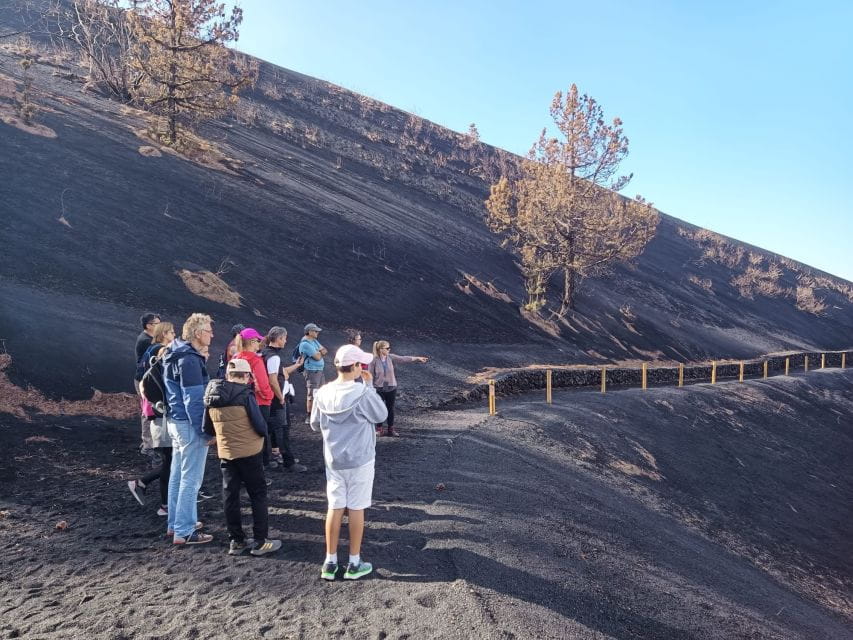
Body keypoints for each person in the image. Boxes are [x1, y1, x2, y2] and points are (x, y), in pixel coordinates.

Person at [310, 344, 388, 581]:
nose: (363, 368)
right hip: (360, 459)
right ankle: (354, 562)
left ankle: (330, 561)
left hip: (334, 460)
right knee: (356, 507)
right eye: (360, 364)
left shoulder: (323, 393)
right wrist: (369, 386)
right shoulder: (362, 393)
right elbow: (381, 415)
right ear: (354, 366)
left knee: (334, 507)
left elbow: (314, 424)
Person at [204, 358, 282, 556]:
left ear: (228, 375)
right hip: (249, 451)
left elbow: (208, 428)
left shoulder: (211, 394)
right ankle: (260, 541)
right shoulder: (245, 394)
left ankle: (236, 541)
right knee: (258, 493)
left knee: (230, 495)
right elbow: (260, 425)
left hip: (227, 452)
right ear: (246, 375)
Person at [163, 313, 214, 545]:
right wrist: (205, 431)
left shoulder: (174, 352)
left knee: (177, 475)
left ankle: (175, 524)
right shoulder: (189, 360)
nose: (212, 335)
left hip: (175, 421)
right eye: (208, 331)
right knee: (191, 479)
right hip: (188, 424)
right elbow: (193, 401)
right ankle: (185, 531)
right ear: (198, 333)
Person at [128, 321, 176, 516]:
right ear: (164, 334)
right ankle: (162, 502)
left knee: (170, 459)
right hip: (161, 414)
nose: (174, 335)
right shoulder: (160, 352)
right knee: (170, 460)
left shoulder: (150, 350)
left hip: (154, 410)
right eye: (171, 332)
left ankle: (147, 487)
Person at [261, 327, 307, 472]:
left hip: (270, 398)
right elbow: (273, 380)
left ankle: (267, 460)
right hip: (276, 399)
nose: (286, 341)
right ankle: (288, 462)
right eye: (285, 338)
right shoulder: (273, 357)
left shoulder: (265, 353)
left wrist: (297, 365)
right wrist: (281, 398)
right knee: (282, 430)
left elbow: (281, 372)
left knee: (271, 429)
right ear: (279, 338)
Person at [232, 327, 275, 468]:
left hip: (239, 402)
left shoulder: (235, 358)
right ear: (251, 342)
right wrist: (269, 396)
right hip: (259, 402)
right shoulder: (255, 360)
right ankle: (261, 464)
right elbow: (261, 384)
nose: (259, 343)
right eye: (257, 340)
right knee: (260, 434)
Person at [368, 341, 429, 437]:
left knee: (390, 408)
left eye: (389, 348)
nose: (389, 349)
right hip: (379, 388)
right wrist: (370, 388)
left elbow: (403, 359)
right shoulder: (374, 360)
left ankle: (390, 429)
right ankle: (379, 429)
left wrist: (417, 358)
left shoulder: (391, 357)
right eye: (387, 348)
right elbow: (370, 375)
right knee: (379, 408)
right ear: (381, 349)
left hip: (391, 387)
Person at [134, 312, 161, 465]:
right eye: (156, 323)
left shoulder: (147, 339)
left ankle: (147, 442)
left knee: (148, 411)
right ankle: (147, 445)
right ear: (149, 325)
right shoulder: (146, 341)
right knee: (148, 412)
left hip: (145, 379)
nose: (159, 326)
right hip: (144, 380)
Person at [298, 323, 328, 423]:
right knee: (312, 394)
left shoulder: (314, 341)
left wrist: (319, 352)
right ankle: (309, 416)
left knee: (321, 392)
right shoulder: (305, 344)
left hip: (319, 370)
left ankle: (318, 414)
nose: (317, 332)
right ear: (309, 332)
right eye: (315, 331)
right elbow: (318, 357)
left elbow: (325, 351)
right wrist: (319, 352)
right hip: (312, 371)